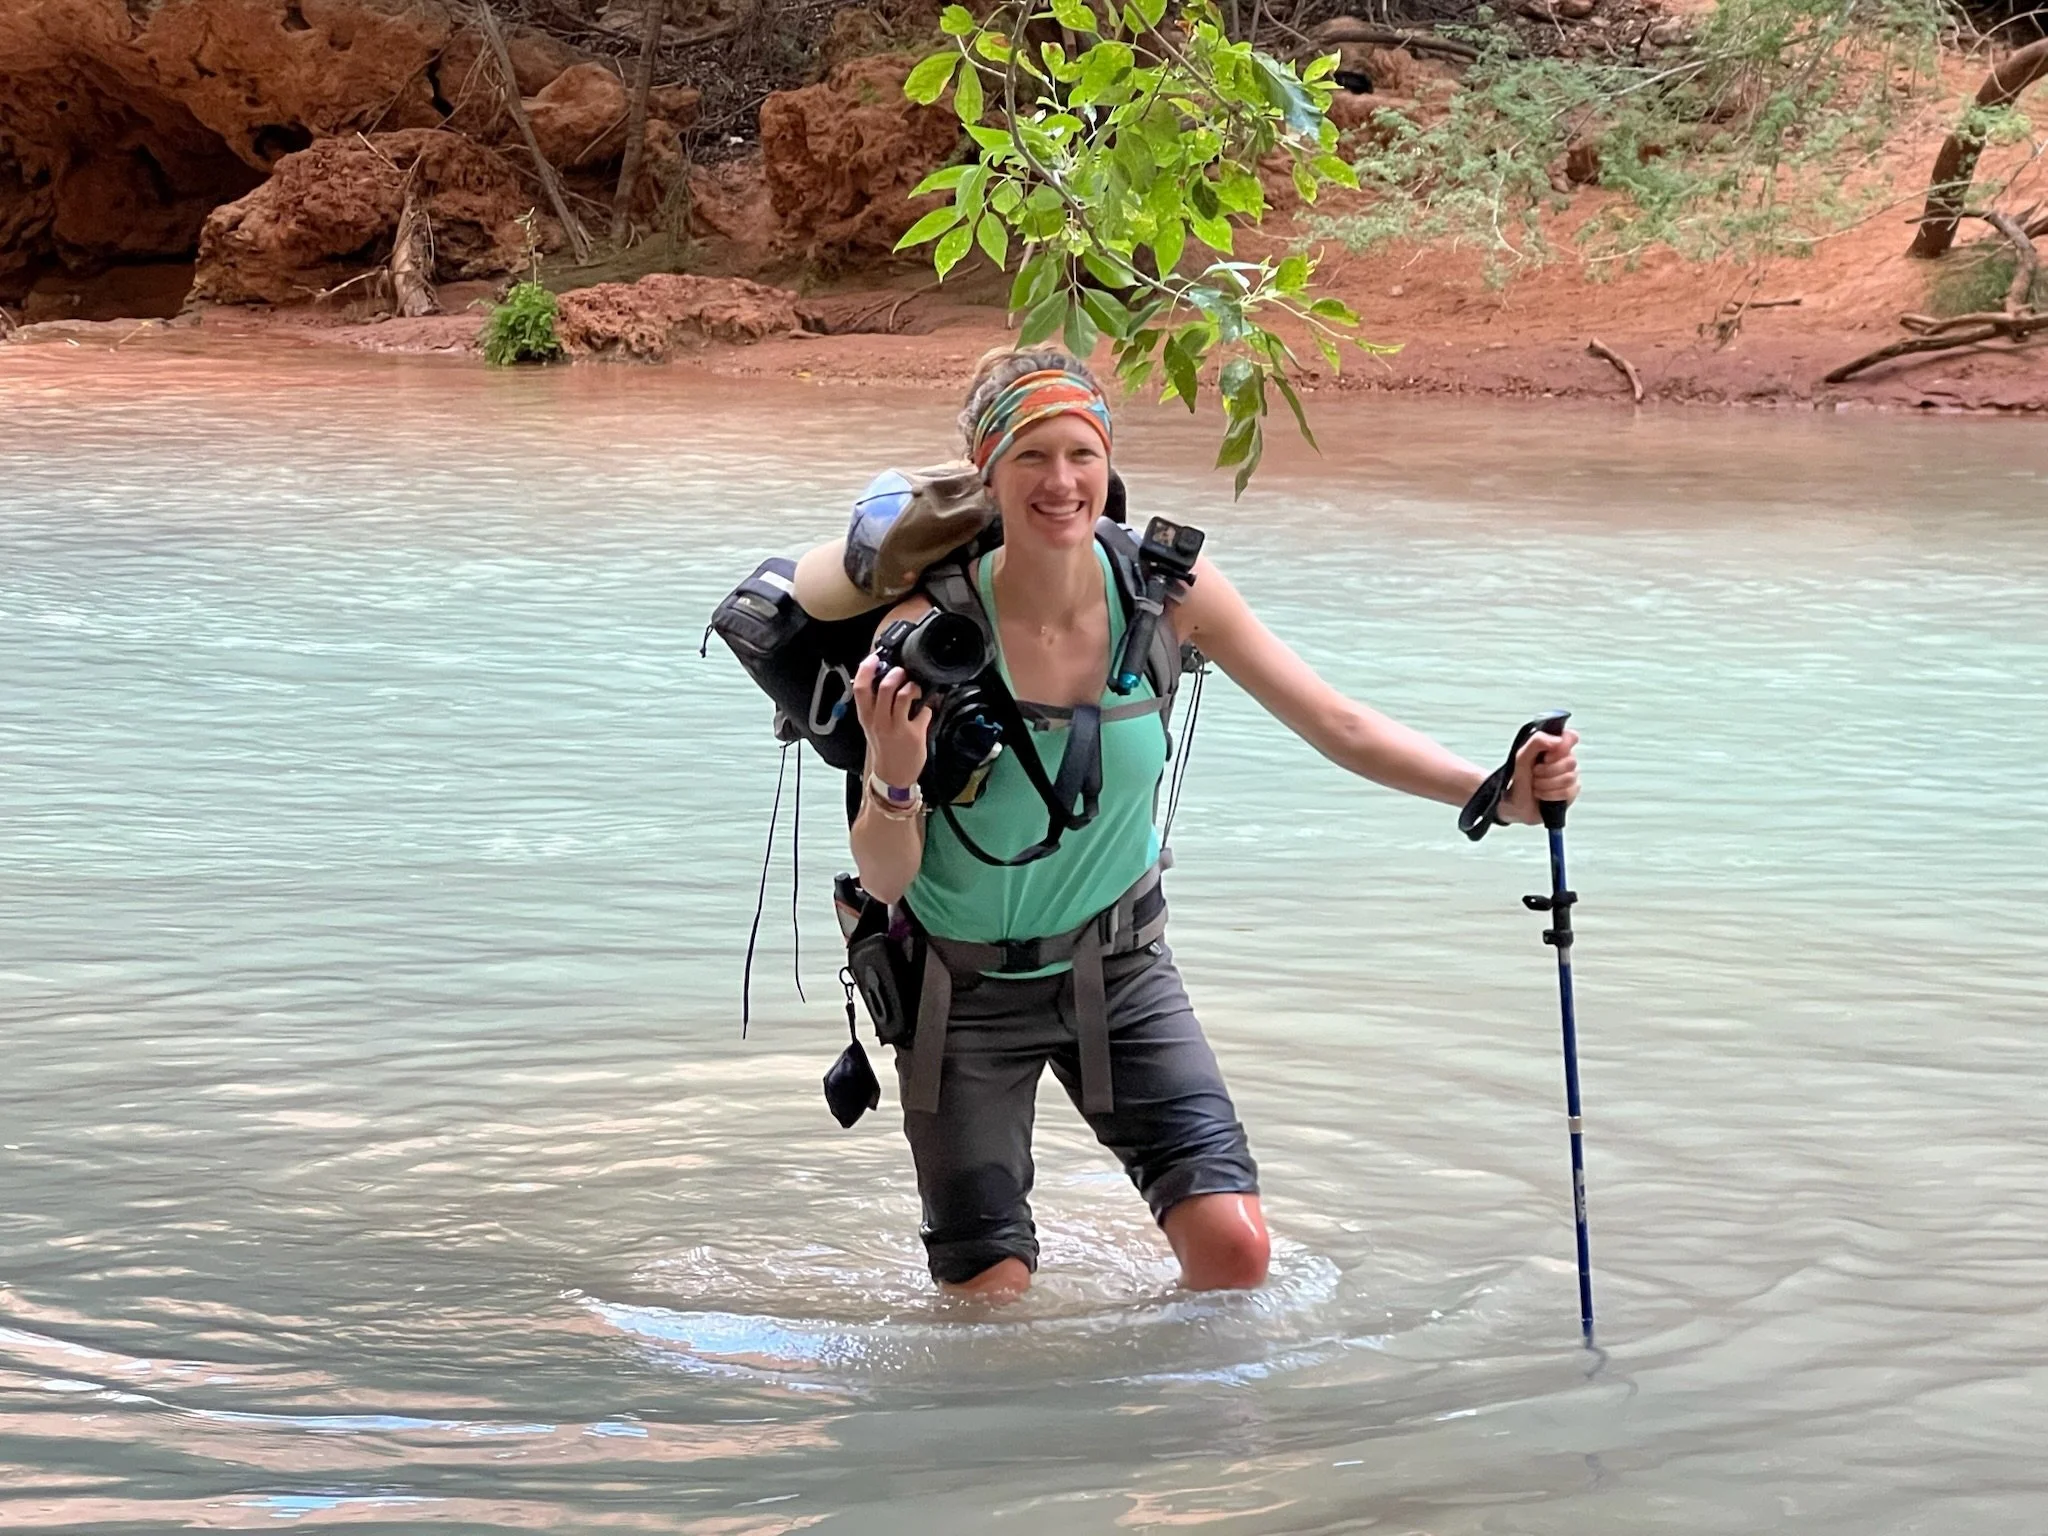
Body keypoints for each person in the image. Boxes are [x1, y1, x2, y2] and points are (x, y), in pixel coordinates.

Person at [847, 347, 1581, 1302]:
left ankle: (1181, 1433)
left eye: (1081, 452)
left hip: (1119, 968)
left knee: (1237, 1253)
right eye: (1030, 457)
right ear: (989, 473)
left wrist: (1499, 793)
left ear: (1109, 462)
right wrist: (896, 776)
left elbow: (1339, 724)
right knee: (988, 1302)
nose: (1061, 482)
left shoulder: (1164, 598)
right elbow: (889, 878)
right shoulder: (925, 637)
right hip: (961, 991)